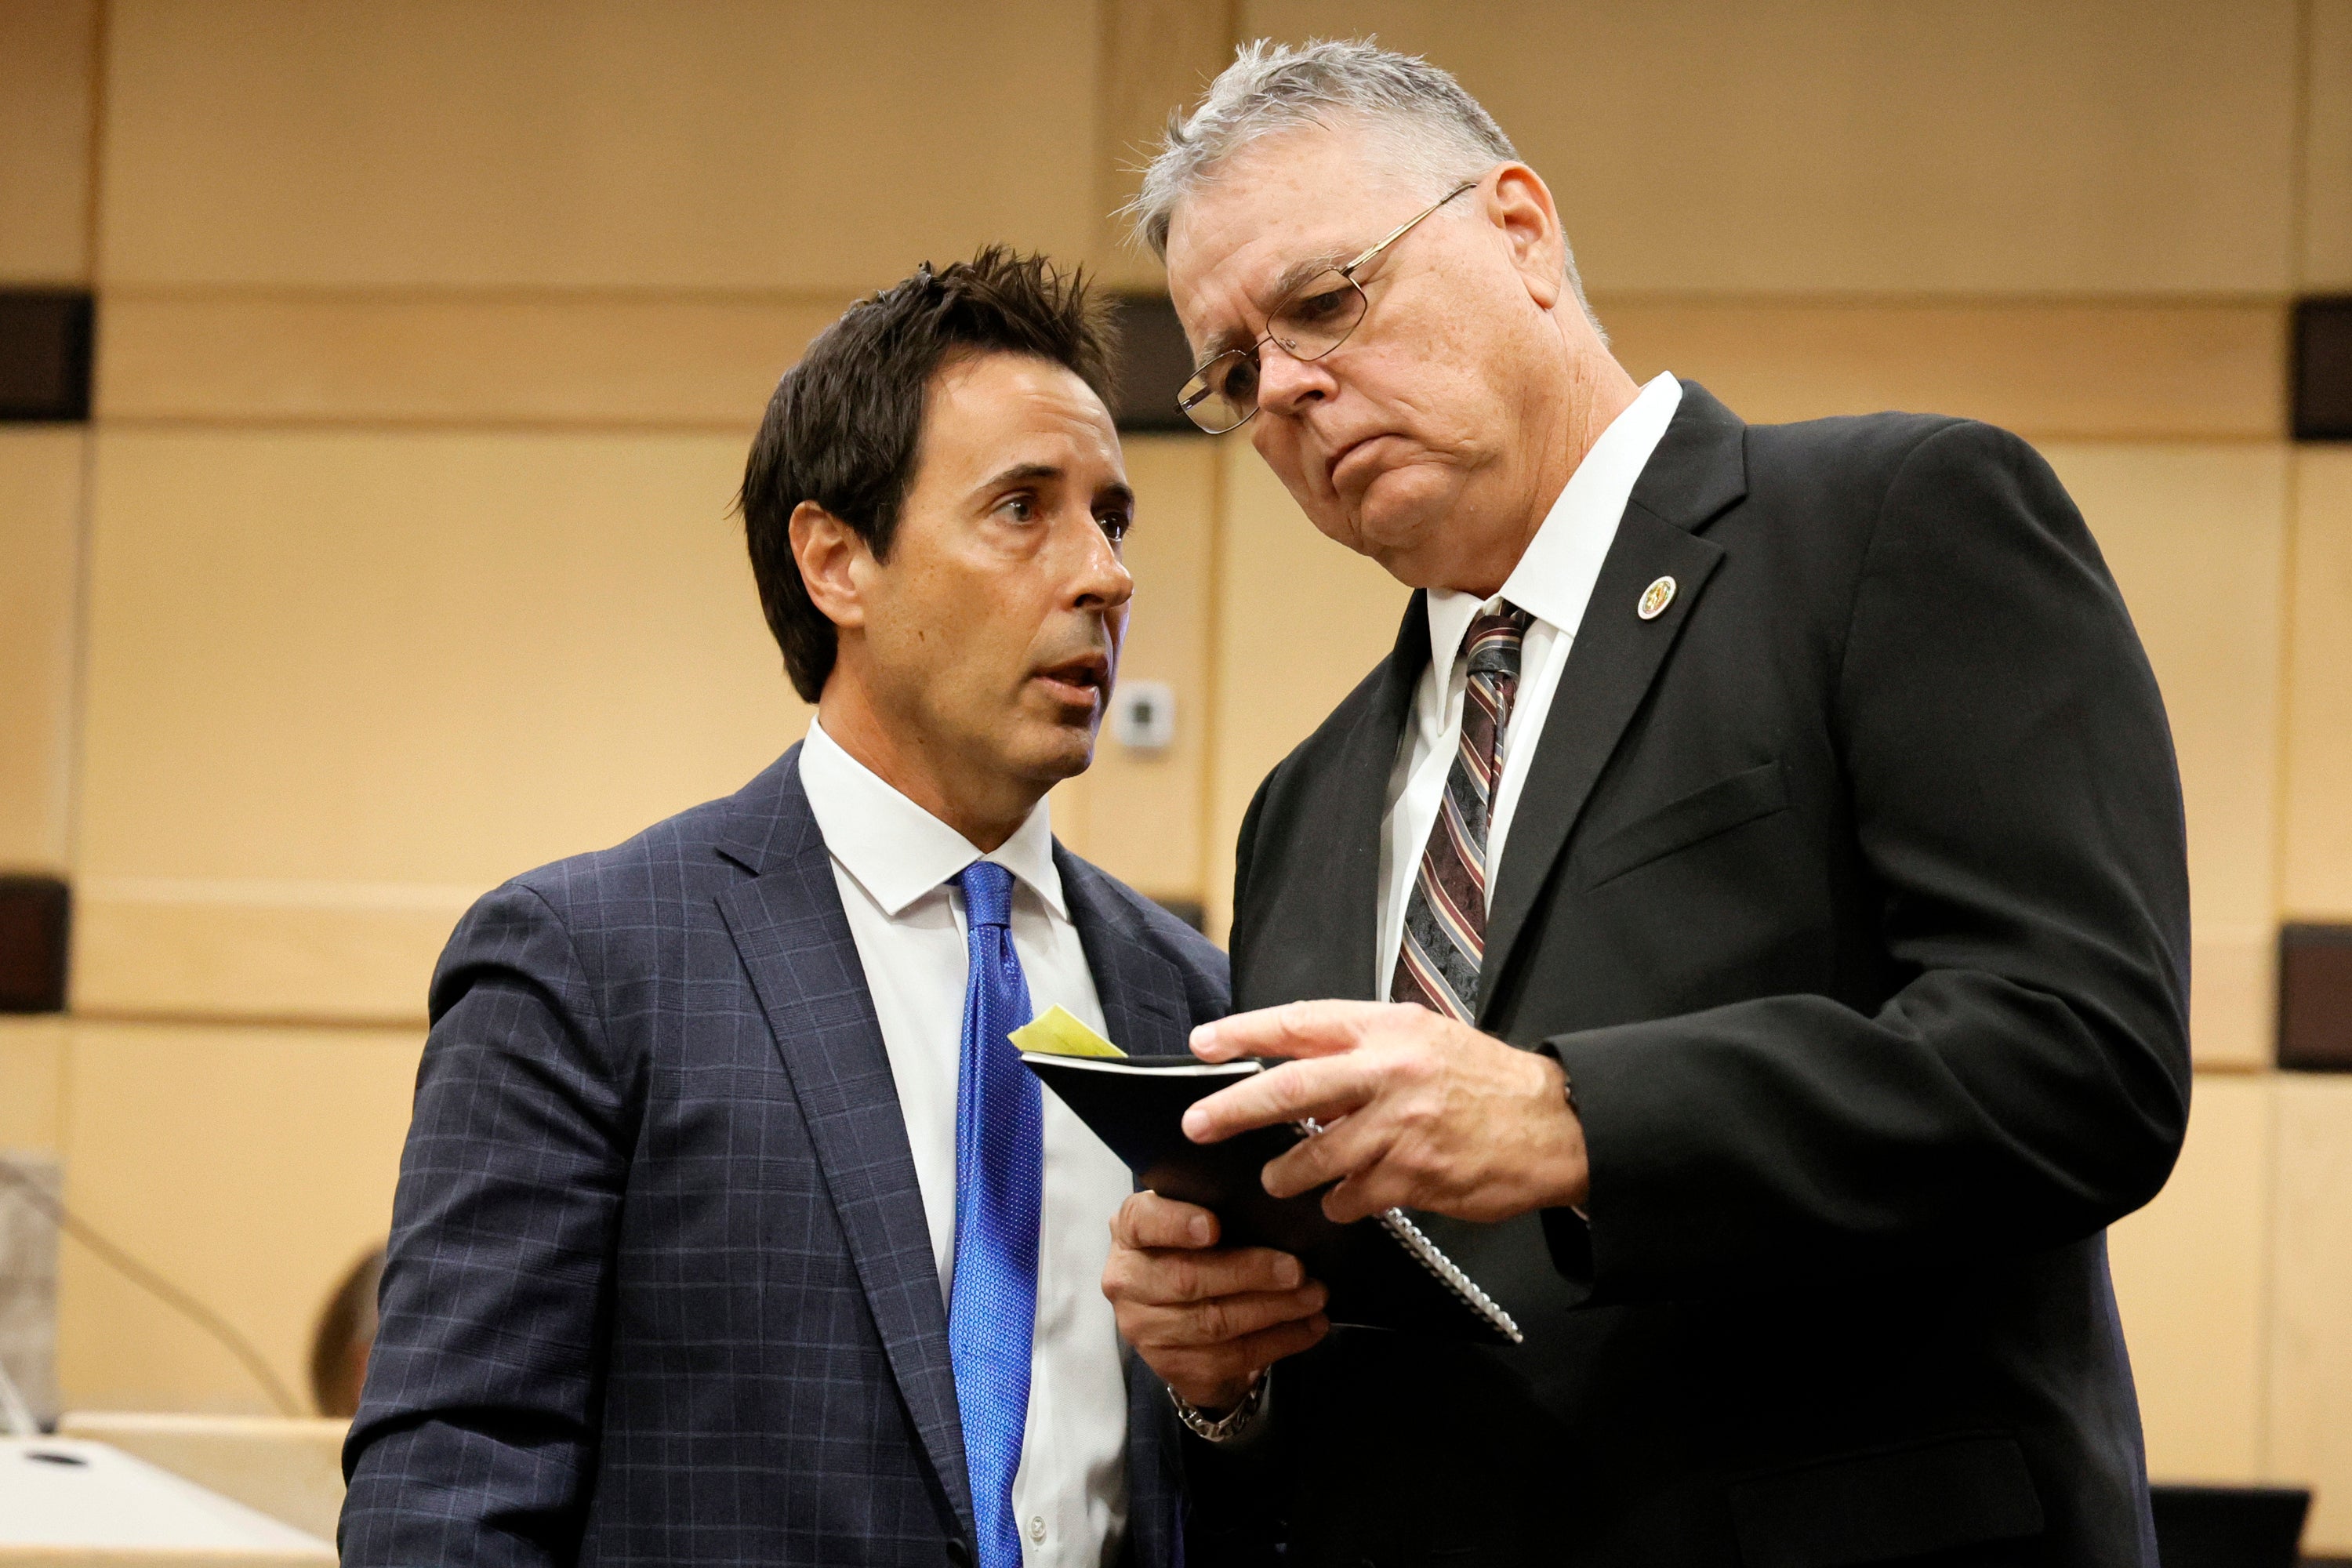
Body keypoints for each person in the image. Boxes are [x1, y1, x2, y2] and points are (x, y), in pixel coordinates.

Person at [1102, 40, 2191, 1568]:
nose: (1283, 385)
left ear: (1522, 234)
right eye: (1232, 372)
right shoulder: (1304, 802)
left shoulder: (1888, 528)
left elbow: (2082, 1063)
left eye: (1326, 301)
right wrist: (1229, 1378)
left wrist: (1570, 1117)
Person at [341, 249, 1236, 1568]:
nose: (1102, 576)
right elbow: (451, 1485)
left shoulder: (1194, 998)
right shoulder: (592, 964)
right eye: (1022, 510)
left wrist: (1231, 1404)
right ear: (837, 562)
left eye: (1112, 519)